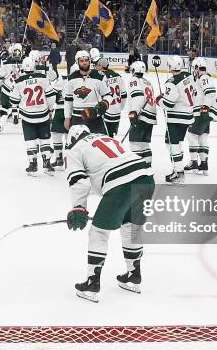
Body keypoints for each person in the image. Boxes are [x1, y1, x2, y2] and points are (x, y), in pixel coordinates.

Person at [65, 125, 155, 302]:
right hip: (146, 178)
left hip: (120, 184)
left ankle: (92, 283)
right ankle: (133, 275)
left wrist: (78, 207)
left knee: (99, 232)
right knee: (130, 227)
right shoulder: (105, 137)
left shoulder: (74, 149)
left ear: (71, 140)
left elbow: (79, 181)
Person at [9, 57, 56, 175]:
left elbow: (13, 100)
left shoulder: (18, 82)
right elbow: (51, 97)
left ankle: (33, 164)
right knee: (45, 140)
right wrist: (50, 109)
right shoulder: (43, 78)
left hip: (27, 116)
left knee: (30, 141)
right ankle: (47, 164)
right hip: (43, 114)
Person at [158, 55, 195, 184]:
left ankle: (179, 175)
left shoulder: (171, 82)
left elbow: (168, 104)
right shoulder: (189, 76)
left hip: (175, 118)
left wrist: (159, 100)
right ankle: (176, 170)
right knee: (177, 144)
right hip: (188, 116)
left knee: (172, 145)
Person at [63, 50, 111, 134]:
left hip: (95, 118)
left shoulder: (99, 76)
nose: (84, 63)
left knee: (98, 145)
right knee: (78, 146)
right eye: (81, 61)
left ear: (89, 61)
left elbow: (108, 95)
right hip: (77, 119)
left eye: (86, 60)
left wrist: (101, 106)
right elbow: (68, 100)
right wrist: (67, 118)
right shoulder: (71, 78)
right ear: (77, 62)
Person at [184, 58, 217, 175]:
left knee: (190, 135)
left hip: (201, 113)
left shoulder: (204, 78)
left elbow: (211, 93)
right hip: (205, 113)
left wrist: (205, 107)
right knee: (202, 137)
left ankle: (194, 162)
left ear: (196, 68)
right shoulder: (202, 78)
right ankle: (204, 165)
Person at [127, 61, 157, 166]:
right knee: (144, 145)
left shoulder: (133, 80)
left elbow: (138, 97)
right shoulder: (148, 82)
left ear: (134, 70)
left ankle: (137, 171)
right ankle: (148, 168)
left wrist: (133, 112)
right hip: (151, 116)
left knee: (135, 144)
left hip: (141, 116)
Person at [98, 58, 126, 137]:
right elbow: (124, 94)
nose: (96, 67)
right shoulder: (118, 76)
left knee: (104, 137)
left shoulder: (101, 77)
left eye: (98, 65)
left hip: (106, 112)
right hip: (117, 112)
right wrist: (120, 108)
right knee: (113, 137)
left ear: (101, 66)